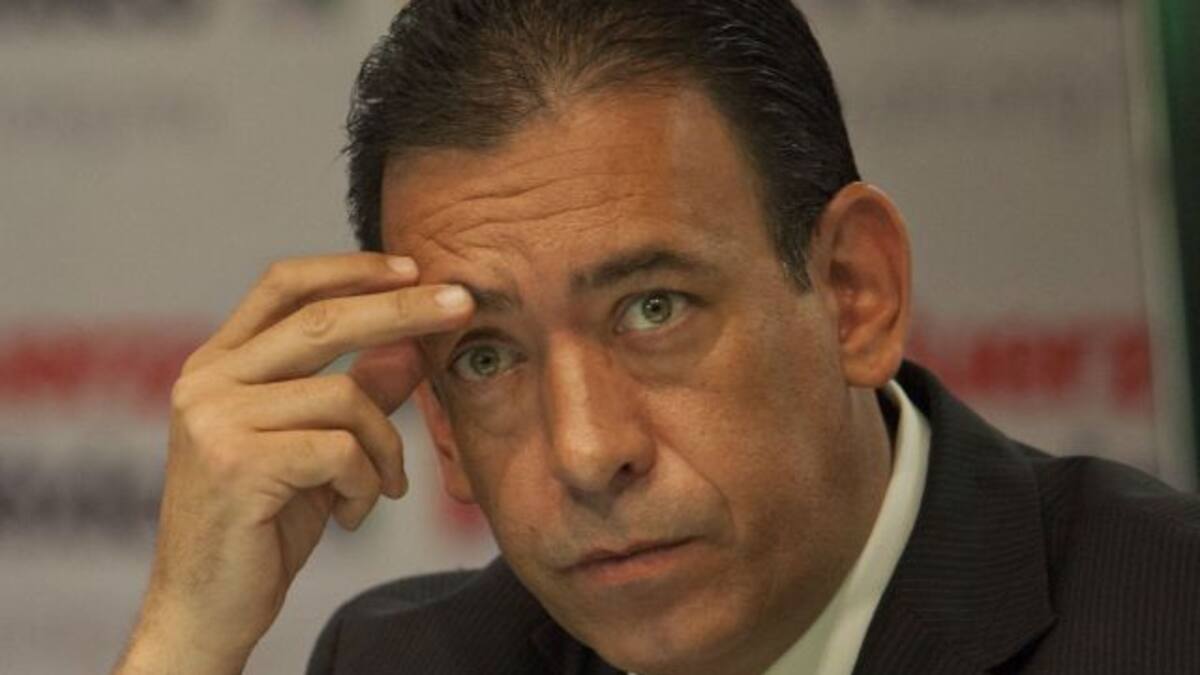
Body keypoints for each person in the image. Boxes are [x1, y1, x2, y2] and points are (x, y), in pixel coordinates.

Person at [114, 1, 1200, 674]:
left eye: (654, 308)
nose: (588, 453)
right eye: (487, 357)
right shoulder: (409, 663)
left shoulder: (1169, 620)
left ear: (854, 292)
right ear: (440, 425)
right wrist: (183, 643)